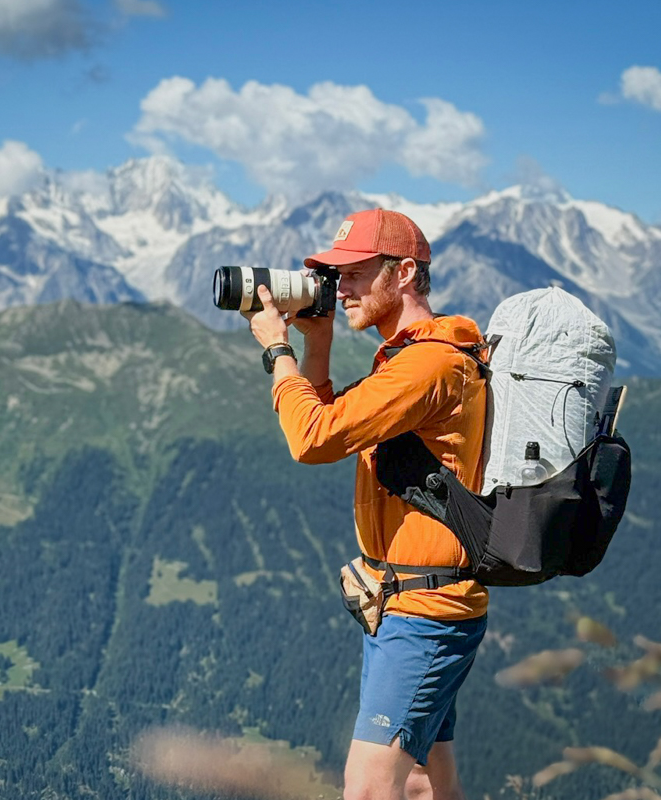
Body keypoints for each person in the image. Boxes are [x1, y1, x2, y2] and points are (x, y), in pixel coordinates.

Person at [243, 209, 489, 800]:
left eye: (355, 274)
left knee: (368, 791)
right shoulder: (409, 360)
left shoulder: (428, 364)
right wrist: (319, 346)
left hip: (423, 615)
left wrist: (278, 349)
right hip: (401, 604)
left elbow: (311, 439)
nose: (340, 288)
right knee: (428, 787)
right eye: (335, 275)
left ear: (403, 273)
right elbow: (326, 423)